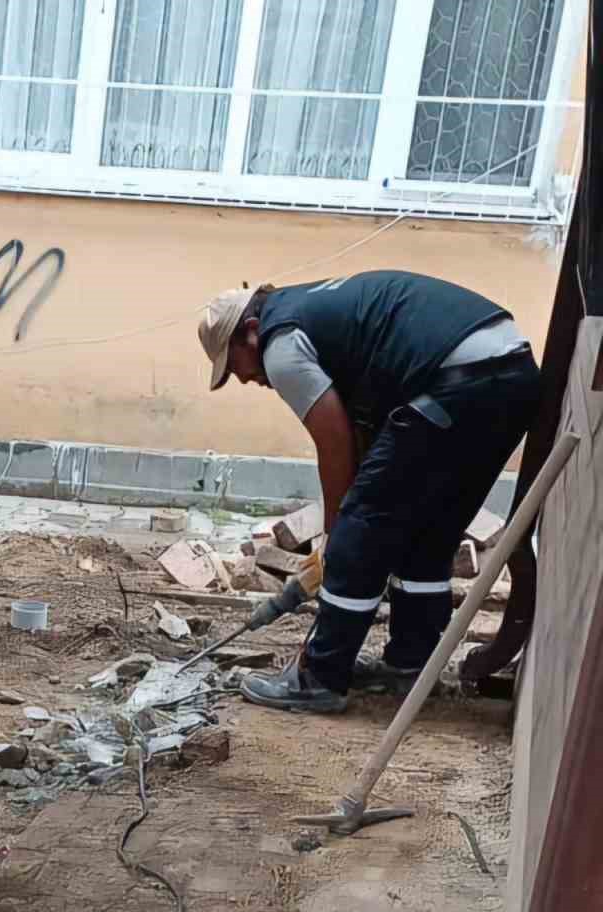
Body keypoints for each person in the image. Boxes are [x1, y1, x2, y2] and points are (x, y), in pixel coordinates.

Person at [197, 270, 538, 714]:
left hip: (457, 379)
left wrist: (338, 536)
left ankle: (320, 676)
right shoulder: (320, 312)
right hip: (511, 375)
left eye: (234, 366)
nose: (245, 380)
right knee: (428, 529)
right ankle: (410, 665)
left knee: (362, 525)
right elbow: (363, 433)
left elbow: (334, 441)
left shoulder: (281, 345)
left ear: (250, 332)